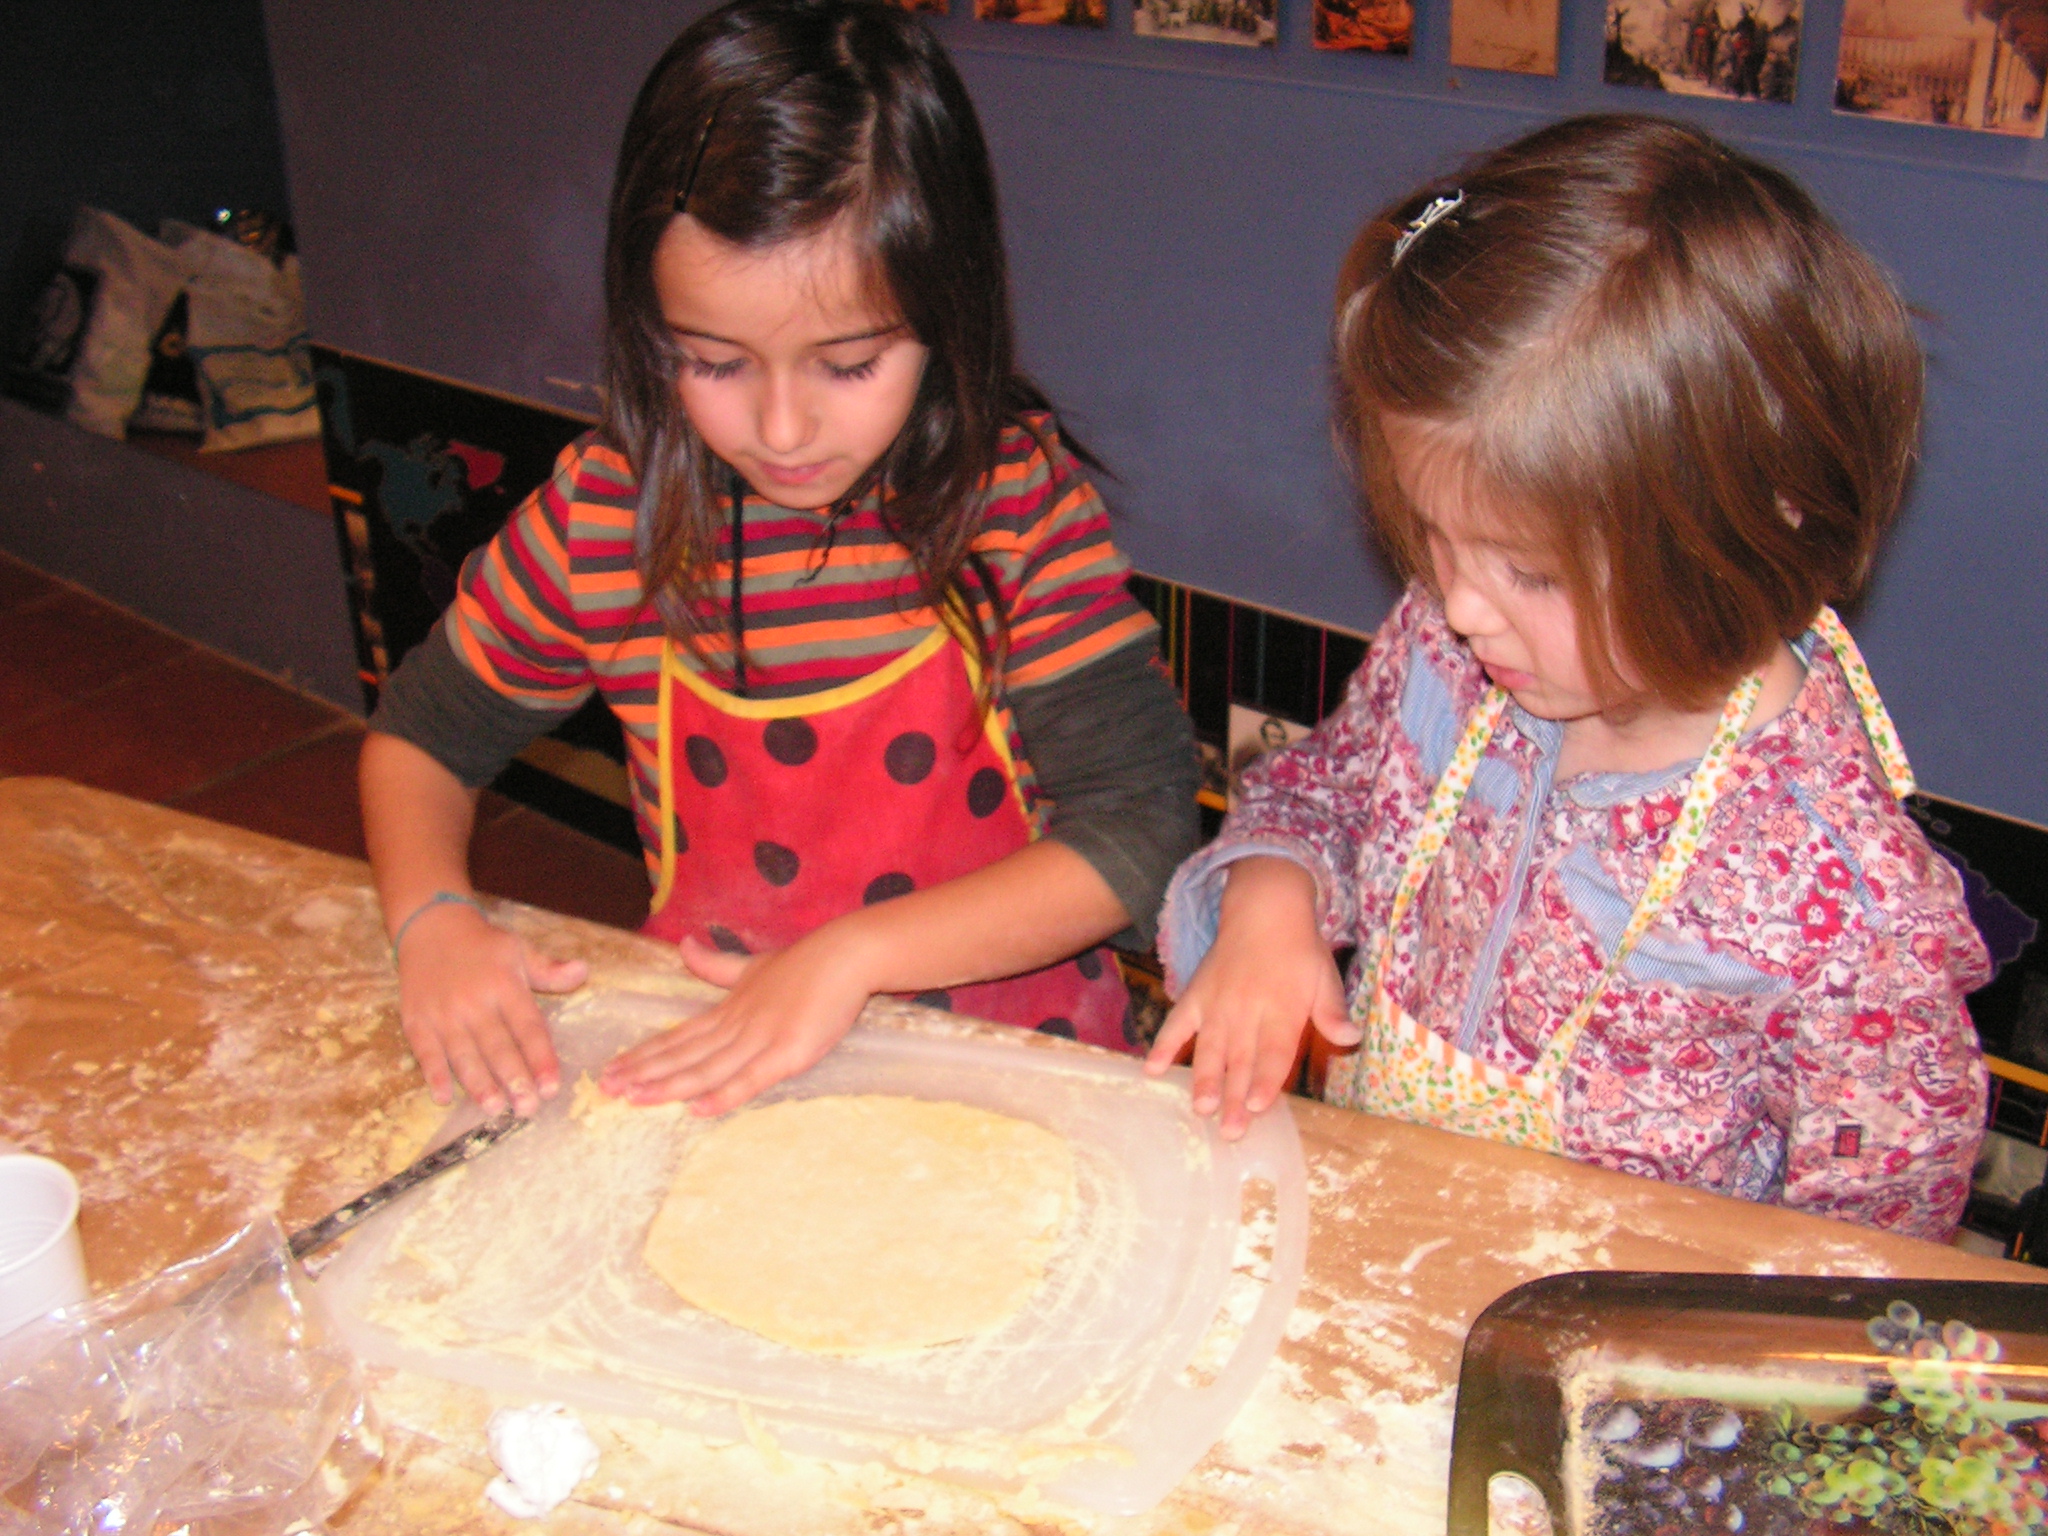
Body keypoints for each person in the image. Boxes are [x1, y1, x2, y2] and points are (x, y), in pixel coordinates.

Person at [1146, 114, 1990, 1242]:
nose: (1456, 604)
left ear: (1750, 526)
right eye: (1434, 537)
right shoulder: (1447, 654)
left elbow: (1868, 1253)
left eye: (1530, 572)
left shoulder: (1842, 907)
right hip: (1380, 1233)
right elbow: (1325, 791)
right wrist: (1269, 898)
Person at [362, 0, 1197, 1123]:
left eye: (847, 365)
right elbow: (420, 737)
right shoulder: (609, 522)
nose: (783, 428)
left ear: (945, 315)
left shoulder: (1007, 508)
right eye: (712, 361)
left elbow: (1140, 827)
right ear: (647, 322)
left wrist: (846, 957)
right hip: (723, 1066)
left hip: (1003, 1082)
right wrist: (432, 920)